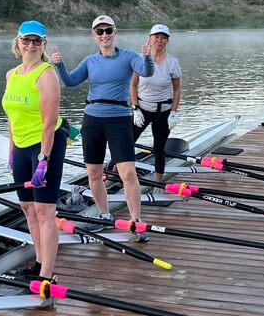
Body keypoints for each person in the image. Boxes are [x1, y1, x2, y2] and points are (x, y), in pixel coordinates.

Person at [51, 15, 154, 233]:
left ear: (115, 33)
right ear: (94, 36)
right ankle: (105, 216)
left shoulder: (128, 57)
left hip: (119, 119)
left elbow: (146, 72)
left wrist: (147, 57)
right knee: (94, 174)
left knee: (128, 173)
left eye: (108, 31)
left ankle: (136, 222)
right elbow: (70, 82)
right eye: (100, 32)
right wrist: (59, 65)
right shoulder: (90, 61)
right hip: (93, 119)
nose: (104, 35)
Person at [2, 20, 67, 282]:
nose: (30, 45)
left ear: (43, 45)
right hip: (20, 147)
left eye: (36, 41)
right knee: (27, 207)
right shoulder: (11, 74)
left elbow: (50, 122)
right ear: (17, 42)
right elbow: (11, 117)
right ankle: (38, 262)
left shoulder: (47, 74)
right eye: (26, 40)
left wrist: (44, 159)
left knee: (45, 211)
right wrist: (11, 150)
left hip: (46, 145)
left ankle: (47, 276)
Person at [131, 24, 183, 181]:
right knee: (126, 144)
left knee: (159, 150)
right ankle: (116, 172)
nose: (159, 41)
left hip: (164, 111)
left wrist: (174, 112)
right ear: (150, 39)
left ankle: (159, 182)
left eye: (163, 38)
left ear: (167, 41)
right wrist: (135, 108)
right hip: (143, 110)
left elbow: (177, 90)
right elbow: (133, 86)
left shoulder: (172, 62)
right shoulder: (140, 60)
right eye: (156, 37)